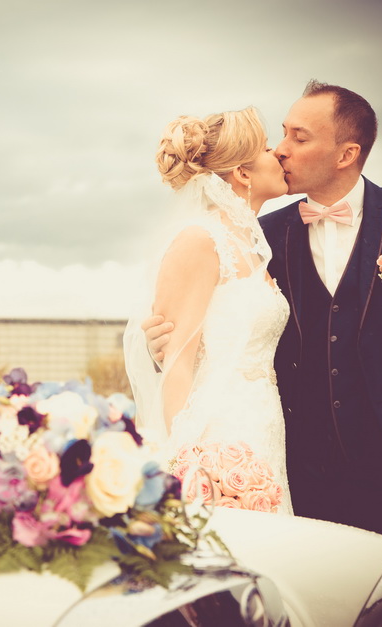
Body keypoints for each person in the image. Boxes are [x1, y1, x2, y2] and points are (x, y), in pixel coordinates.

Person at [144, 80, 382, 626]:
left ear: (347, 153)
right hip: (301, 474)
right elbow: (222, 333)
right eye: (280, 136)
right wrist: (165, 348)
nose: (283, 148)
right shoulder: (262, 234)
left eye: (297, 136)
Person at [123, 106, 293, 515]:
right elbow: (177, 362)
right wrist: (188, 462)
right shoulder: (201, 240)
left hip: (263, 424)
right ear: (244, 174)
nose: (281, 154)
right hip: (219, 433)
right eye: (269, 148)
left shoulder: (255, 244)